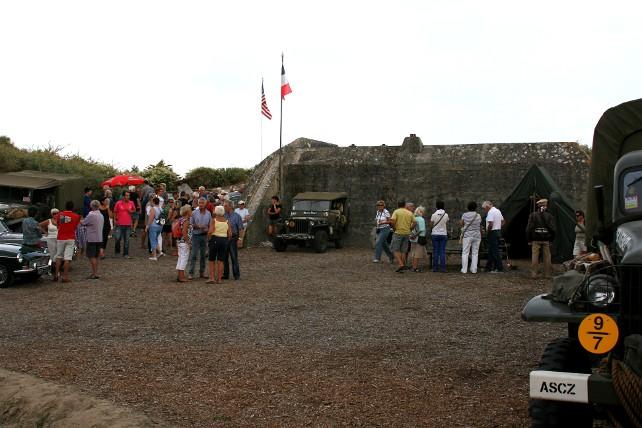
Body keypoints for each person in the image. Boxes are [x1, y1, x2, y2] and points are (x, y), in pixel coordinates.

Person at [526, 198, 556, 279]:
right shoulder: (549, 216)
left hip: (535, 239)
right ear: (546, 206)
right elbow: (553, 229)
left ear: (538, 206)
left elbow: (529, 228)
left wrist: (529, 239)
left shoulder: (533, 215)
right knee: (547, 257)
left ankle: (534, 274)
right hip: (546, 239)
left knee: (535, 256)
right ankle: (547, 274)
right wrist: (551, 239)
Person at [54, 201, 80, 283]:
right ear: (73, 207)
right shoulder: (76, 216)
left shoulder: (60, 215)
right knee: (67, 258)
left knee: (58, 256)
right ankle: (65, 277)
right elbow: (76, 227)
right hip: (70, 238)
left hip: (61, 237)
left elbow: (58, 225)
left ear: (65, 206)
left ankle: (56, 275)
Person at [389, 201, 416, 273]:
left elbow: (392, 221)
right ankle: (404, 264)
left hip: (398, 232)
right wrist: (410, 229)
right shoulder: (409, 213)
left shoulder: (396, 211)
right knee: (403, 250)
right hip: (407, 233)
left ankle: (400, 264)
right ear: (404, 205)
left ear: (398, 205)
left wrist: (394, 228)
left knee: (395, 249)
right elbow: (415, 222)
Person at [188, 197, 212, 279]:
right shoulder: (194, 213)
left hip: (204, 236)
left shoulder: (208, 213)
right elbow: (190, 225)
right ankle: (191, 273)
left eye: (202, 203)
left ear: (205, 204)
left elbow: (210, 225)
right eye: (199, 203)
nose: (201, 204)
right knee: (194, 254)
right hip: (196, 235)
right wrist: (197, 226)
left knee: (203, 255)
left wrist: (208, 230)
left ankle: (202, 272)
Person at [207, 205, 230, 284]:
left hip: (215, 239)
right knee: (221, 260)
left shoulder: (214, 220)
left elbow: (210, 231)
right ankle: (219, 279)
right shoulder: (227, 221)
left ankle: (212, 278)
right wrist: (226, 240)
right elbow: (230, 234)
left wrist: (209, 238)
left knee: (212, 260)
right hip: (224, 240)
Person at [81, 200, 104, 279]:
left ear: (91, 206)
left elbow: (84, 222)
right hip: (99, 238)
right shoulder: (101, 215)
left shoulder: (91, 214)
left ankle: (94, 273)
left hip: (91, 238)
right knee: (96, 256)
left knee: (91, 256)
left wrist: (79, 220)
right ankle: (95, 272)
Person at [223, 200, 244, 280]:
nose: (224, 207)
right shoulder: (223, 216)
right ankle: (226, 274)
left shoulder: (237, 216)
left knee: (234, 257)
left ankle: (236, 274)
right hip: (224, 237)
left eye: (225, 206)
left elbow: (241, 228)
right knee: (224, 257)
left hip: (233, 238)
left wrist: (240, 239)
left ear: (230, 207)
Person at [482, 200, 505, 273]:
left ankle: (499, 267)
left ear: (487, 207)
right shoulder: (497, 211)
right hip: (497, 231)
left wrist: (488, 232)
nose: (484, 210)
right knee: (492, 251)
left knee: (495, 251)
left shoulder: (490, 212)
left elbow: (490, 224)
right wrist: (498, 227)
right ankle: (488, 267)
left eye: (484, 208)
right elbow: (503, 221)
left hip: (492, 233)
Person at [460, 201, 482, 274]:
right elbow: (480, 224)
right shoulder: (478, 215)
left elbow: (462, 223)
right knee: (475, 253)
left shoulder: (464, 215)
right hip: (477, 235)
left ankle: (464, 269)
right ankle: (474, 269)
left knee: (465, 252)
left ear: (468, 207)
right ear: (476, 208)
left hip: (467, 235)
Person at [113, 190, 136, 258]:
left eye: (129, 195)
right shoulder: (118, 203)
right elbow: (114, 211)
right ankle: (117, 251)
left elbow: (134, 210)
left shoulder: (131, 203)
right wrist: (114, 219)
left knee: (127, 240)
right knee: (117, 238)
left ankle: (126, 254)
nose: (128, 197)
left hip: (128, 224)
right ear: (123, 196)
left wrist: (131, 211)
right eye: (126, 195)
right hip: (119, 224)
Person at [430, 200, 449, 273]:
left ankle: (435, 268)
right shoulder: (446, 214)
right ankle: (443, 268)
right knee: (442, 251)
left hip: (435, 234)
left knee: (435, 251)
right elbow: (446, 221)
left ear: (436, 206)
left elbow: (431, 225)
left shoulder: (433, 215)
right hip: (443, 234)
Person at [176, 204, 192, 282]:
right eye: (190, 210)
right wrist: (188, 242)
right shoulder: (186, 221)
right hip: (184, 241)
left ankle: (179, 275)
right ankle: (181, 276)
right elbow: (184, 233)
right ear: (187, 212)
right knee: (184, 258)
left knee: (180, 257)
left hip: (179, 241)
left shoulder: (181, 219)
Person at [409, 206, 428, 272]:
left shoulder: (413, 218)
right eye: (423, 211)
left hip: (412, 237)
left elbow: (410, 228)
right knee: (417, 253)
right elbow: (421, 230)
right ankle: (415, 267)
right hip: (419, 238)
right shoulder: (421, 219)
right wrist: (415, 235)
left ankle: (413, 266)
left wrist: (412, 235)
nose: (423, 212)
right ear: (421, 212)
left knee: (413, 252)